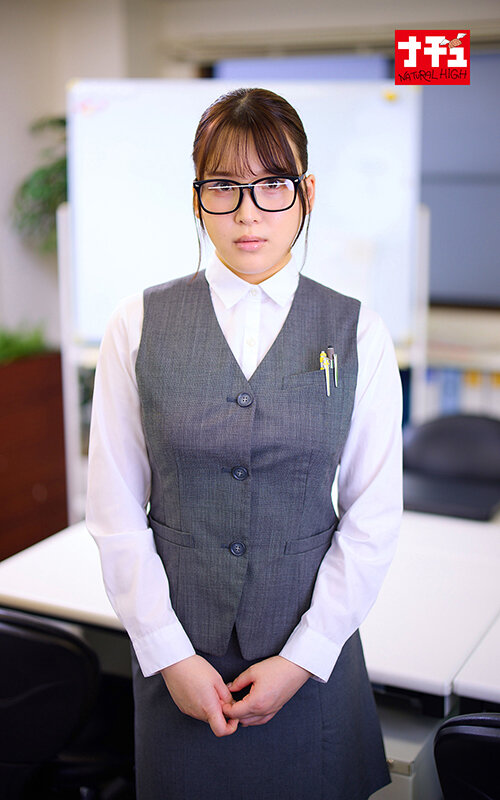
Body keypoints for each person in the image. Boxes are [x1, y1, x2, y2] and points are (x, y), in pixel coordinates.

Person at [86, 87, 403, 800]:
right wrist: (168, 654)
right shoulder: (136, 324)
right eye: (224, 186)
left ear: (307, 194)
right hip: (181, 663)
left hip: (312, 659)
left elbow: (374, 518)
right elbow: (114, 512)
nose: (248, 212)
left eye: (272, 185)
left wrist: (304, 657)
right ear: (197, 199)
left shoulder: (359, 331)